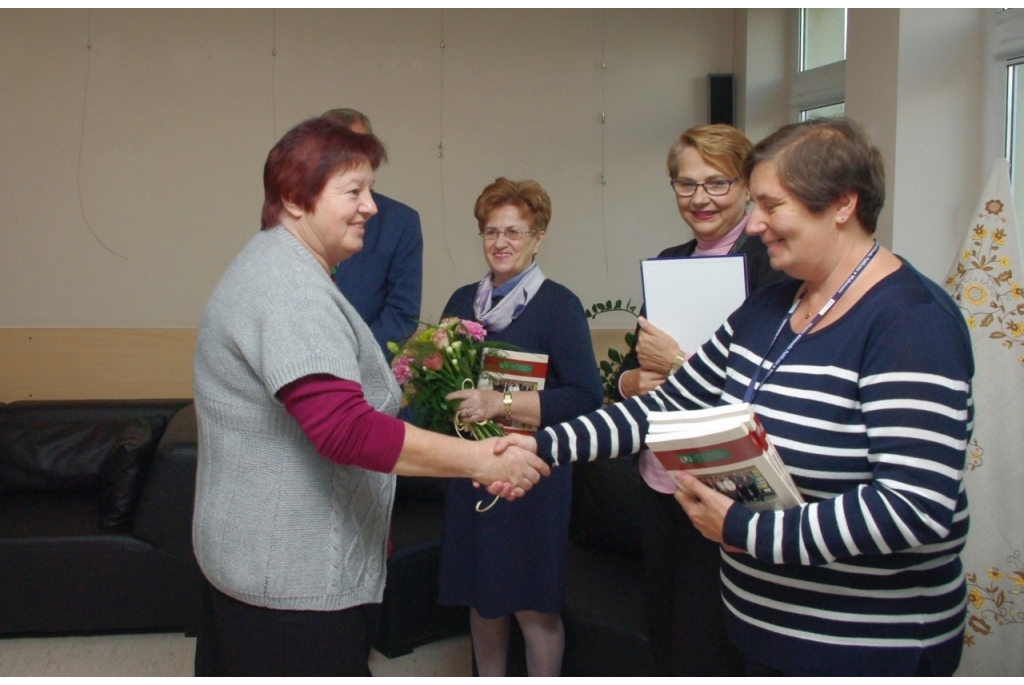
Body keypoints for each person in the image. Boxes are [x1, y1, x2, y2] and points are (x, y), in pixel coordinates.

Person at [501, 118, 973, 676]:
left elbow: (914, 506)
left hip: (863, 647)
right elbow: (663, 408)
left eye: (772, 205)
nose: (755, 223)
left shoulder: (911, 324)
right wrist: (537, 447)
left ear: (842, 204)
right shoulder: (769, 309)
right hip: (758, 629)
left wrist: (741, 530)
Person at [191, 118, 549, 677]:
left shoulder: (285, 269)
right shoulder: (288, 288)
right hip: (288, 581)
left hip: (261, 565)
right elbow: (345, 429)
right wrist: (480, 457)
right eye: (353, 191)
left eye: (371, 190)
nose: (371, 208)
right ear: (293, 198)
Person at [615, 124, 788, 676]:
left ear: (745, 186)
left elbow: (764, 381)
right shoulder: (672, 258)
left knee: (707, 640)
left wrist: (678, 368)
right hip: (658, 475)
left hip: (720, 480)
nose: (699, 199)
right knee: (663, 627)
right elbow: (629, 365)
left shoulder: (769, 264)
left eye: (716, 183)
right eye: (685, 184)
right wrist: (632, 383)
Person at [437, 178, 604, 676]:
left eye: (514, 231)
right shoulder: (463, 300)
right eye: (491, 232)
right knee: (482, 599)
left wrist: (500, 403)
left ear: (538, 238)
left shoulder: (559, 305)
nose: (501, 243)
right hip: (472, 471)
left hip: (533, 476)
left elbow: (585, 396)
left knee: (534, 606)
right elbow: (440, 378)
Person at [324, 107, 422, 359]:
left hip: (366, 374)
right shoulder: (295, 217)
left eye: (360, 147)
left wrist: (354, 359)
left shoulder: (400, 222)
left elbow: (402, 313)